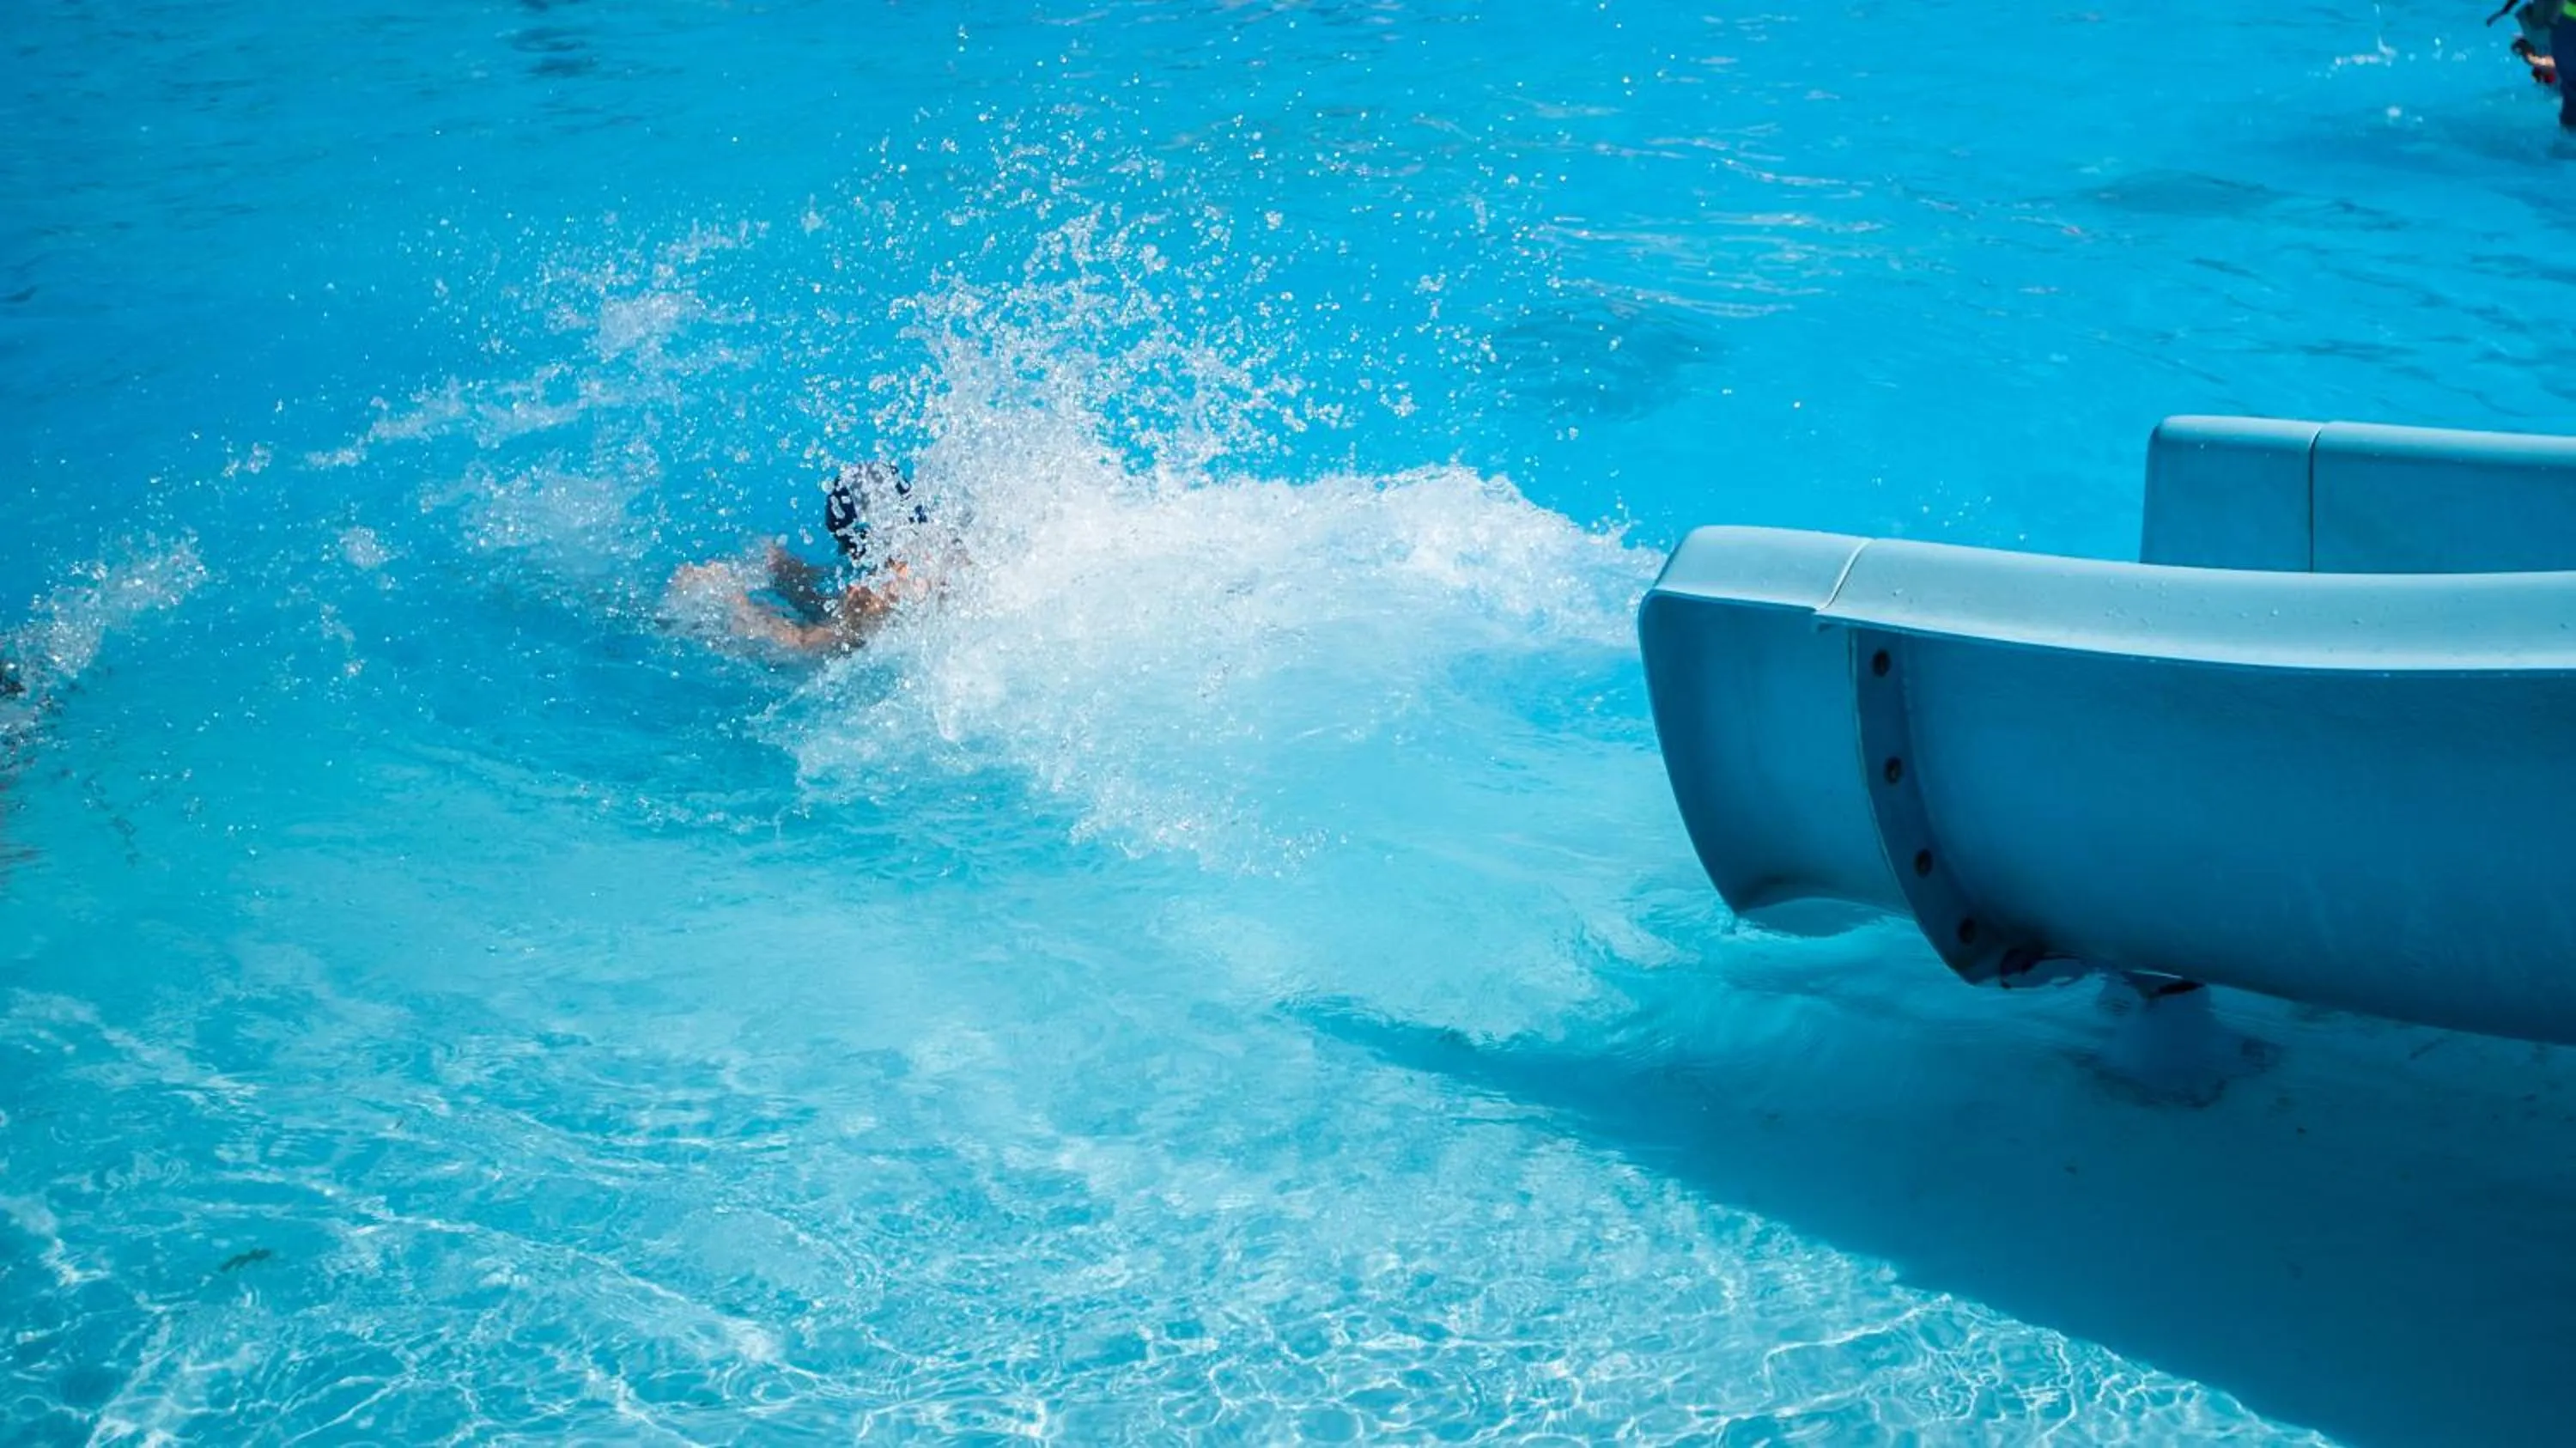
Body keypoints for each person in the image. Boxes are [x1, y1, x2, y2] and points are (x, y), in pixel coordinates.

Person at [666, 460, 940, 658]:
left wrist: (734, 601)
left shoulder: (896, 587)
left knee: (830, 630)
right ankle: (789, 580)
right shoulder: (947, 552)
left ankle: (782, 582)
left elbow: (805, 646)